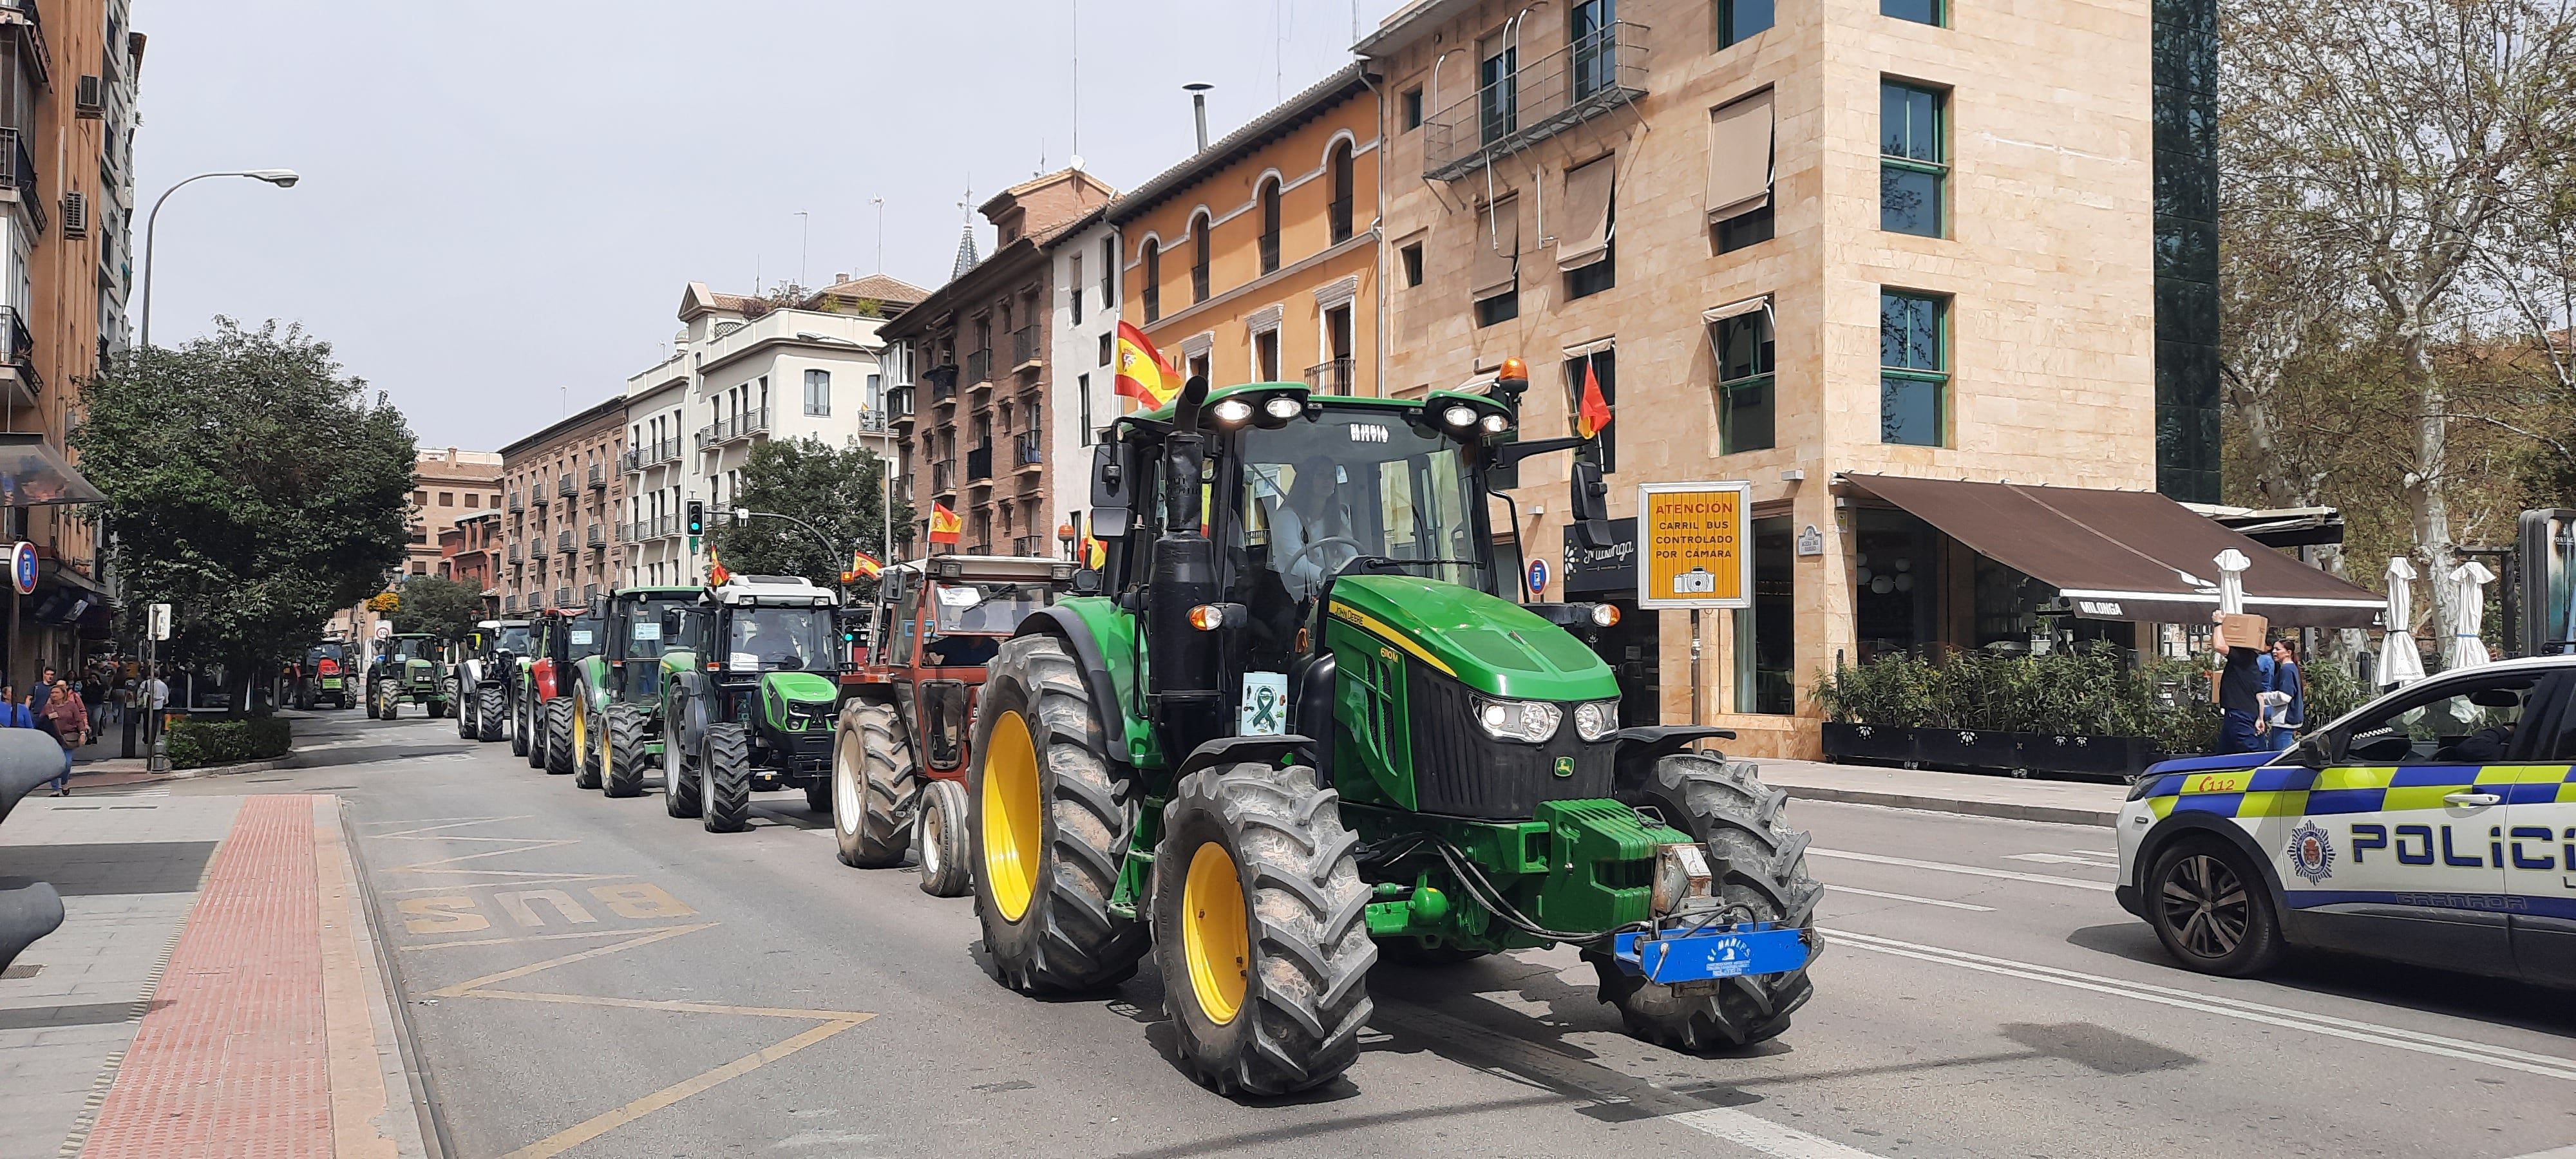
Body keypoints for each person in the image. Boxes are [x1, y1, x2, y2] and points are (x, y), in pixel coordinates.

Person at [1265, 457, 1360, 599]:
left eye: (1331, 476)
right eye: (1321, 475)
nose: (1327, 481)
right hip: (1294, 594)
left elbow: (1350, 551)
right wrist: (1325, 576)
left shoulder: (1338, 516)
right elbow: (1297, 563)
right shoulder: (1286, 517)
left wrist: (1356, 571)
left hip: (1331, 588)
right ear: (1307, 481)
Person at [2217, 639, 2268, 755]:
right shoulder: (2253, 664)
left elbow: (2219, 646)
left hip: (2239, 715)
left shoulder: (2243, 657)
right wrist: (2260, 718)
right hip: (2245, 713)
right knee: (2226, 753)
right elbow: (2260, 695)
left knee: (2251, 754)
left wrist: (2218, 623)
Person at [2263, 638, 2306, 751]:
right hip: (2282, 720)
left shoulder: (2287, 669)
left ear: (2289, 653)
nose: (2274, 652)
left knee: (2279, 756)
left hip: (2285, 720)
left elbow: (2285, 696)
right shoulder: (2290, 668)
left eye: (2278, 649)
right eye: (2273, 649)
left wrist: (2263, 697)